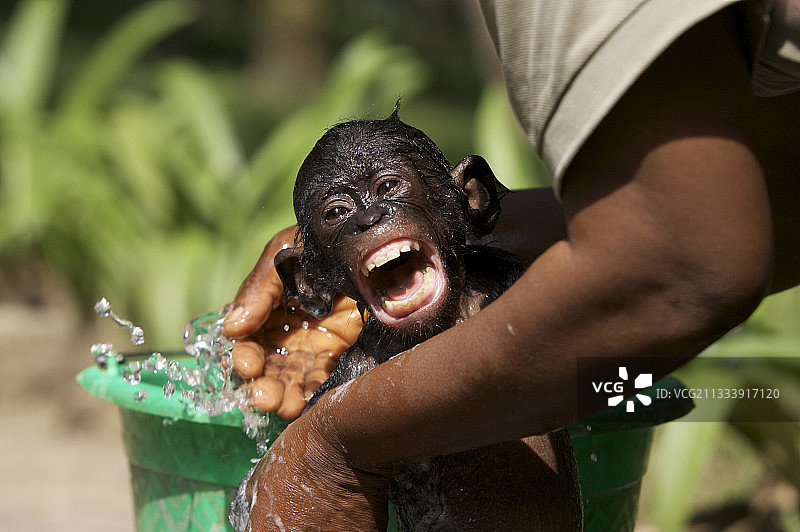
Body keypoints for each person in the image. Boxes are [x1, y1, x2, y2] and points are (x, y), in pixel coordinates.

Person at [223, 1, 800, 529]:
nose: (369, 221)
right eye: (339, 214)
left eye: (390, 189)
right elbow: (754, 209)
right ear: (311, 277)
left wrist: (333, 451)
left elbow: (667, 278)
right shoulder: (365, 363)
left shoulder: (507, 287)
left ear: (467, 196)